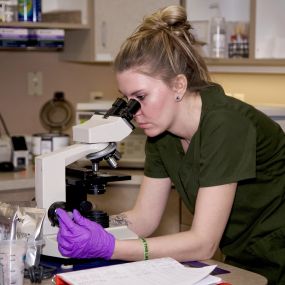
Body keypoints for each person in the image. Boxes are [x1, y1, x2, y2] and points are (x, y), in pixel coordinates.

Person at [56, 5, 285, 285]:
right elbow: (144, 219)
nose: (133, 111)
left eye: (140, 96)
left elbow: (202, 243)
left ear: (178, 85)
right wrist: (95, 226)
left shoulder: (225, 125)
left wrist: (111, 247)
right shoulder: (161, 133)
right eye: (127, 99)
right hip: (244, 259)